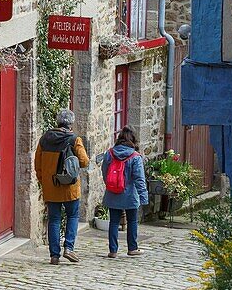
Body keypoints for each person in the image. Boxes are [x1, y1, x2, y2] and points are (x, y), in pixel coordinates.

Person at [34, 108, 89, 264]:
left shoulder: (44, 139)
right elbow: (84, 161)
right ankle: (69, 248)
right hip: (69, 186)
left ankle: (54, 255)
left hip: (51, 186)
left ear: (58, 122)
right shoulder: (74, 139)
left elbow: (37, 165)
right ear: (70, 124)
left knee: (54, 219)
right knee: (72, 215)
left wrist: (43, 182)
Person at [100, 125, 149, 258]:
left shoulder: (110, 153)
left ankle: (113, 250)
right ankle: (132, 248)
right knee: (132, 221)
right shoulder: (135, 157)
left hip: (113, 192)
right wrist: (143, 197)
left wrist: (110, 184)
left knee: (114, 222)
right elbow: (139, 179)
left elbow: (104, 172)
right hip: (130, 194)